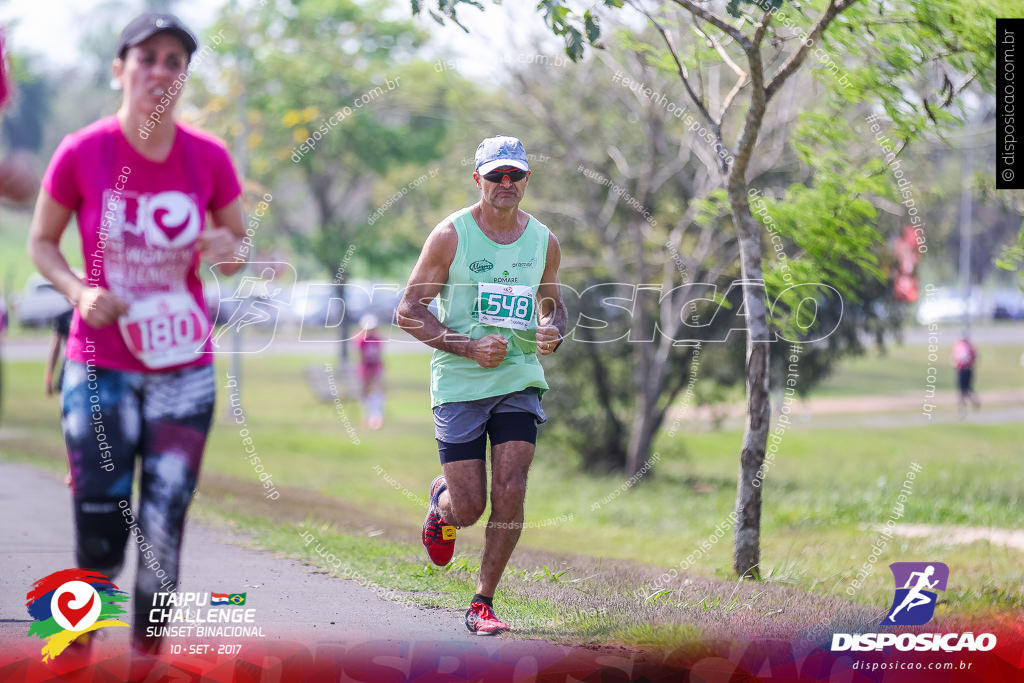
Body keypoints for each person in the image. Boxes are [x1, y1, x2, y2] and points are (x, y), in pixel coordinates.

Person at [27, 13, 246, 655]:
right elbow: (42, 241)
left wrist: (227, 246)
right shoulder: (83, 151)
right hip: (100, 366)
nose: (160, 71)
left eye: (174, 61)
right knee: (99, 529)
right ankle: (71, 653)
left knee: (163, 528)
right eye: (147, 57)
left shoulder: (208, 157)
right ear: (120, 68)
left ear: (183, 78)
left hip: (183, 367)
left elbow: (238, 246)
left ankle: (147, 661)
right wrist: (78, 291)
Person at [397, 135, 566, 635]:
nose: (506, 184)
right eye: (496, 175)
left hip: (518, 376)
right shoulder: (451, 235)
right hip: (460, 379)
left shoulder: (544, 241)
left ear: (527, 180)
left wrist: (552, 329)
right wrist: (468, 347)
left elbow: (553, 304)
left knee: (511, 488)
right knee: (469, 509)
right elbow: (407, 311)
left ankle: (482, 603)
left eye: (515, 175)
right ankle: (442, 503)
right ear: (479, 180)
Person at [355, 313, 386, 429]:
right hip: (365, 368)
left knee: (378, 392)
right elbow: (360, 357)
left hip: (376, 368)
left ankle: (377, 418)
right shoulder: (361, 340)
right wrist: (365, 373)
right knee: (365, 393)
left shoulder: (377, 339)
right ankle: (367, 416)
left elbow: (379, 355)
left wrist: (380, 369)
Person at [44, 308, 73, 396]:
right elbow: (55, 348)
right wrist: (48, 377)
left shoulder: (93, 315)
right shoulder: (64, 317)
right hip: (69, 366)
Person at [953, 333, 980, 418]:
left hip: (965, 370)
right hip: (963, 370)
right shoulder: (962, 346)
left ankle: (965, 408)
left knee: (966, 391)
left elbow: (974, 358)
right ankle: (963, 408)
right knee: (963, 391)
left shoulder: (966, 347)